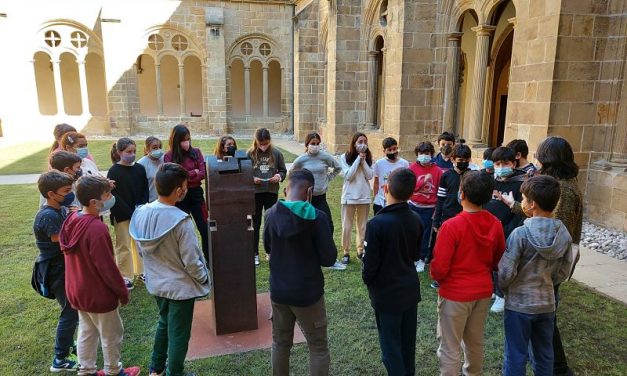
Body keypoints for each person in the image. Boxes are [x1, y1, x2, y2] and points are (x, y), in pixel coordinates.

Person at [499, 136, 583, 376]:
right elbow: (541, 214)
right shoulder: (556, 185)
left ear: (549, 158)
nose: (535, 160)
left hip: (542, 275)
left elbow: (554, 233)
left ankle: (559, 368)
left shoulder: (564, 189)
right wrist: (514, 205)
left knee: (534, 342)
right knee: (544, 332)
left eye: (539, 155)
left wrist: (504, 287)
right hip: (546, 279)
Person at [130, 163, 210, 376]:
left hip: (156, 283)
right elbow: (191, 260)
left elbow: (140, 250)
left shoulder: (140, 213)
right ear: (178, 191)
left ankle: (156, 369)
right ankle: (175, 372)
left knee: (164, 323)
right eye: (184, 186)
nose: (186, 189)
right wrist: (203, 278)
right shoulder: (180, 221)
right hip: (180, 288)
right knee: (179, 335)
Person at [59, 175, 140, 376]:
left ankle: (86, 371)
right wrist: (122, 292)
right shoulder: (97, 229)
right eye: (108, 194)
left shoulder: (72, 218)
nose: (111, 197)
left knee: (86, 332)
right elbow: (107, 268)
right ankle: (114, 371)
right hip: (98, 294)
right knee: (111, 334)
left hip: (77, 290)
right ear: (95, 203)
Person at [430, 171, 505, 376]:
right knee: (474, 340)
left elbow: (440, 267)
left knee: (450, 344)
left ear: (461, 194)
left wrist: (435, 275)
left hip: (455, 293)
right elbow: (498, 259)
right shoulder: (495, 224)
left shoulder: (451, 226)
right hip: (482, 291)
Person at [263, 169, 336, 376]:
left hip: (279, 292)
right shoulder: (318, 218)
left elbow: (268, 247)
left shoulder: (270, 214)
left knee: (280, 343)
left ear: (286, 189)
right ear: (310, 192)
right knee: (318, 346)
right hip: (308, 294)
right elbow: (329, 258)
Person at [362, 168, 422, 376]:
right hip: (409, 290)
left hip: (387, 295)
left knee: (390, 348)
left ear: (386, 188)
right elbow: (415, 254)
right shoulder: (416, 218)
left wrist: (367, 279)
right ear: (412, 194)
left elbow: (370, 267)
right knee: (407, 345)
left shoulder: (376, 224)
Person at [32, 171, 79, 372]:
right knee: (70, 312)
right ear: (51, 194)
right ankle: (59, 359)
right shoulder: (48, 216)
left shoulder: (59, 208)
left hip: (63, 267)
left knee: (72, 309)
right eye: (66, 191)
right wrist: (76, 219)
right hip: (56, 270)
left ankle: (70, 346)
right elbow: (63, 241)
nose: (70, 194)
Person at [483, 146, 526, 313]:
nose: (501, 167)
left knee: (503, 265)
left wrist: (510, 230)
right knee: (491, 262)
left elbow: (521, 211)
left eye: (505, 163)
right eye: (498, 163)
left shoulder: (521, 185)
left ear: (513, 164)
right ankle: (494, 289)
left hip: (509, 230)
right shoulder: (490, 181)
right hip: (489, 229)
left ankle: (502, 295)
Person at [107, 138, 149, 289]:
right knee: (123, 245)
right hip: (122, 214)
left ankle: (142, 271)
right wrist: (129, 211)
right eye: (128, 152)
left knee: (140, 242)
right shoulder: (114, 171)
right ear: (119, 153)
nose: (132, 155)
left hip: (139, 211)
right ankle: (126, 275)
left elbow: (145, 188)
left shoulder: (139, 168)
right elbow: (115, 196)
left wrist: (141, 205)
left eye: (134, 151)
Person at [164, 124, 209, 262]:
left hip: (196, 194)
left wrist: (185, 175)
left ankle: (208, 258)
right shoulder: (169, 156)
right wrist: (191, 173)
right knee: (182, 231)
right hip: (179, 196)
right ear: (176, 140)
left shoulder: (196, 152)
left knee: (204, 228)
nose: (186, 142)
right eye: (183, 140)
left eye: (188, 139)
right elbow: (172, 177)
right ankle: (185, 260)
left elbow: (202, 173)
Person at [248, 128, 287, 266]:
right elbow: (244, 173)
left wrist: (279, 176)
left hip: (271, 191)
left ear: (269, 141)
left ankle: (270, 251)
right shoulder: (250, 154)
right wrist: (252, 178)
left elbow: (283, 170)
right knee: (255, 223)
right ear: (256, 141)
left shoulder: (276, 153)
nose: (263, 146)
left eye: (265, 143)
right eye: (260, 143)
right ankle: (254, 253)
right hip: (256, 193)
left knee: (271, 222)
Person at [290, 132, 341, 234]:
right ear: (307, 144)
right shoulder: (302, 159)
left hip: (321, 198)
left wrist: (328, 178)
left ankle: (324, 247)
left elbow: (338, 167)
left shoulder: (325, 156)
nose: (315, 146)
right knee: (306, 227)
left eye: (318, 143)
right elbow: (291, 173)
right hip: (306, 199)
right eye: (313, 143)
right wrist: (300, 185)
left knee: (328, 226)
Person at [338, 132, 374, 266]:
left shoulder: (368, 158)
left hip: (364, 197)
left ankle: (360, 250)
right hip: (349, 197)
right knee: (347, 226)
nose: (363, 144)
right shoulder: (344, 157)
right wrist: (358, 159)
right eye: (360, 141)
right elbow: (349, 176)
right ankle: (346, 252)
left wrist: (363, 160)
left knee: (362, 226)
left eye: (365, 141)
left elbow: (370, 175)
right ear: (354, 143)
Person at [408, 141, 443, 272]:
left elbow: (440, 192)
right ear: (417, 154)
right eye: (421, 153)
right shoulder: (412, 169)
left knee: (425, 235)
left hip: (429, 208)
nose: (424, 156)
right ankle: (412, 257)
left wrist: (437, 210)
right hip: (414, 206)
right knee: (412, 233)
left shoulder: (438, 171)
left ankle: (422, 259)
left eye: (427, 153)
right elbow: (410, 187)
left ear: (432, 154)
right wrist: (424, 180)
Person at [372, 137, 410, 214]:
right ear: (384, 151)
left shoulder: (404, 163)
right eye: (389, 150)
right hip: (380, 202)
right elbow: (376, 182)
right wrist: (375, 197)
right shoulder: (379, 164)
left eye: (394, 149)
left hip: (398, 202)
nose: (393, 152)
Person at [137, 136, 165, 203]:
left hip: (165, 200)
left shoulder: (164, 159)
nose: (158, 150)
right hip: (150, 202)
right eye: (155, 148)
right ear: (147, 149)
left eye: (159, 147)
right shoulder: (141, 164)